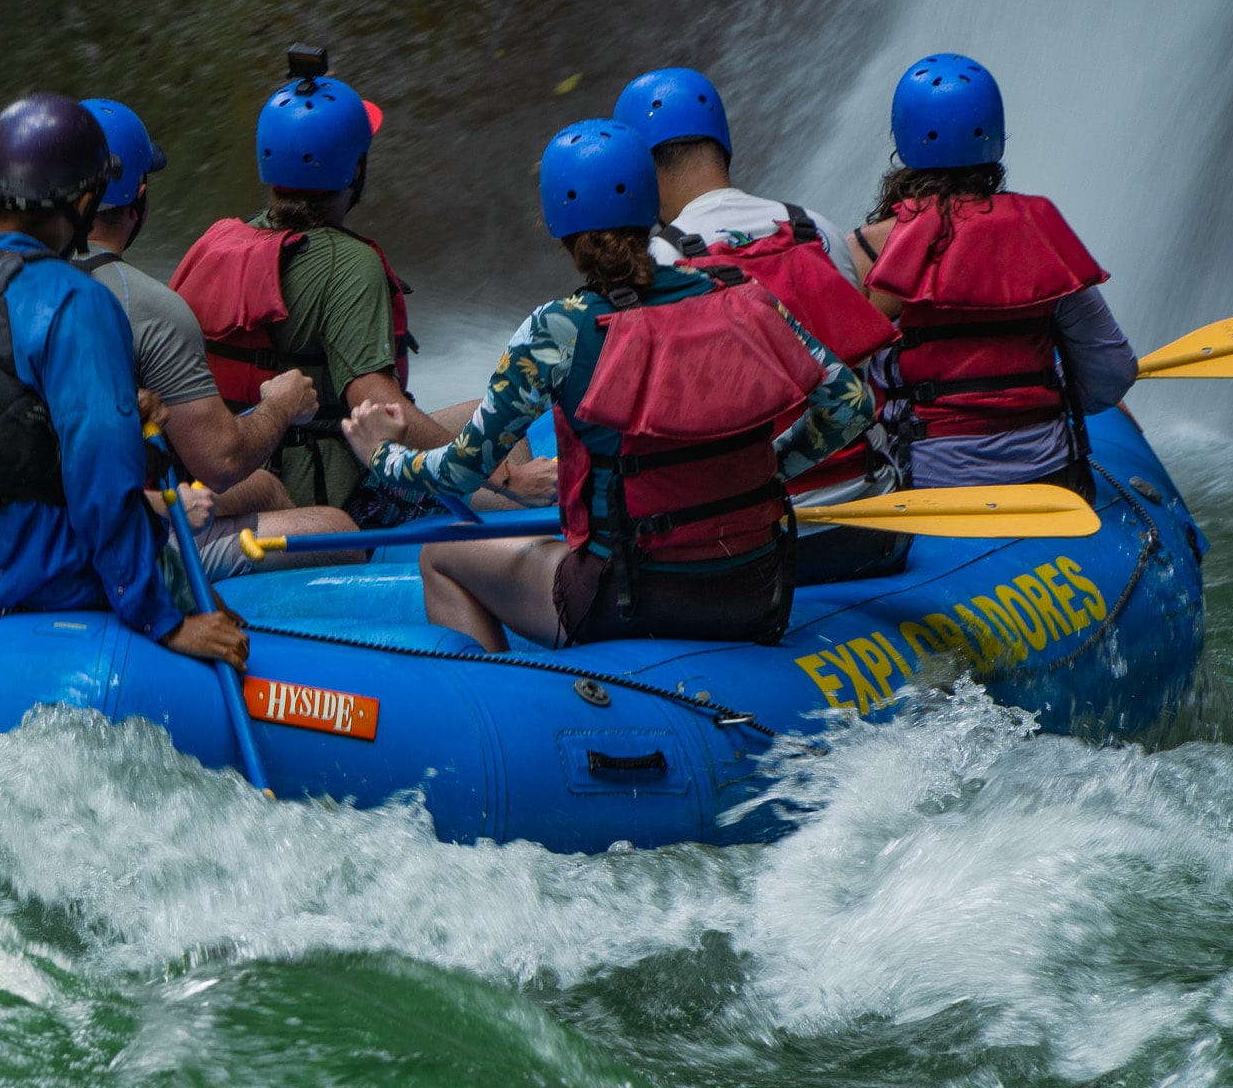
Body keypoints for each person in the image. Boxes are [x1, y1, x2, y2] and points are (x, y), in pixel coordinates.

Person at [343, 119, 872, 652]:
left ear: (553, 223)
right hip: (757, 588)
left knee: (444, 552)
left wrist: (382, 455)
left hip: (634, 597)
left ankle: (506, 705)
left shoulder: (556, 330)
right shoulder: (746, 296)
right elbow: (851, 405)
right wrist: (771, 468)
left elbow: (458, 473)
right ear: (652, 207)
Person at [0, 92, 245, 668]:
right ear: (87, 201)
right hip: (49, 584)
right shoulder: (78, 303)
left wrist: (105, 412)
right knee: (221, 615)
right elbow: (102, 486)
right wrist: (165, 621)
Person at [170, 46, 555, 522]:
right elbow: (375, 403)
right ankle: (528, 546)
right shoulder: (348, 264)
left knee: (490, 415)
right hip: (335, 490)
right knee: (500, 445)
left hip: (240, 469)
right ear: (355, 169)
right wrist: (507, 481)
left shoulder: (223, 240)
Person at [615, 66, 907, 581]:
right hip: (873, 523)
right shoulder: (815, 227)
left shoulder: (657, 263)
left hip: (761, 544)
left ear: (638, 170)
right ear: (722, 146)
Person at [76, 98, 359, 578]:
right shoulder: (148, 306)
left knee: (267, 491)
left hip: (58, 518)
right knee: (338, 529)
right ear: (139, 197)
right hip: (114, 542)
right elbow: (223, 459)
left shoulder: (2, 281)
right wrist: (281, 405)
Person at [847, 54, 1135, 496]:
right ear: (995, 136)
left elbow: (834, 389)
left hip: (921, 485)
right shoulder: (1042, 236)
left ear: (901, 139)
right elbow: (1112, 374)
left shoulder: (864, 251)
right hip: (1048, 482)